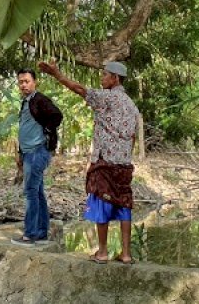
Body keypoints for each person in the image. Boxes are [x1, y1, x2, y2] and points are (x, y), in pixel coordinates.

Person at [38, 60, 138, 264]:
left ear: (115, 78)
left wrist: (57, 74)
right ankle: (126, 254)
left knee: (101, 200)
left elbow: (80, 89)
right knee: (123, 204)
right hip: (124, 163)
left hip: (105, 162)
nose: (101, 78)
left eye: (104, 75)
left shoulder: (108, 97)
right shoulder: (131, 104)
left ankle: (102, 252)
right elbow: (133, 137)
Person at [10, 68, 63, 246]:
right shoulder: (26, 102)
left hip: (38, 151)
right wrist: (20, 153)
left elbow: (57, 115)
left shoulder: (39, 99)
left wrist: (47, 132)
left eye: (26, 81)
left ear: (35, 82)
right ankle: (41, 232)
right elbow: (25, 127)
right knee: (38, 193)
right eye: (21, 82)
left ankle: (30, 234)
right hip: (28, 153)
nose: (23, 85)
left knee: (31, 192)